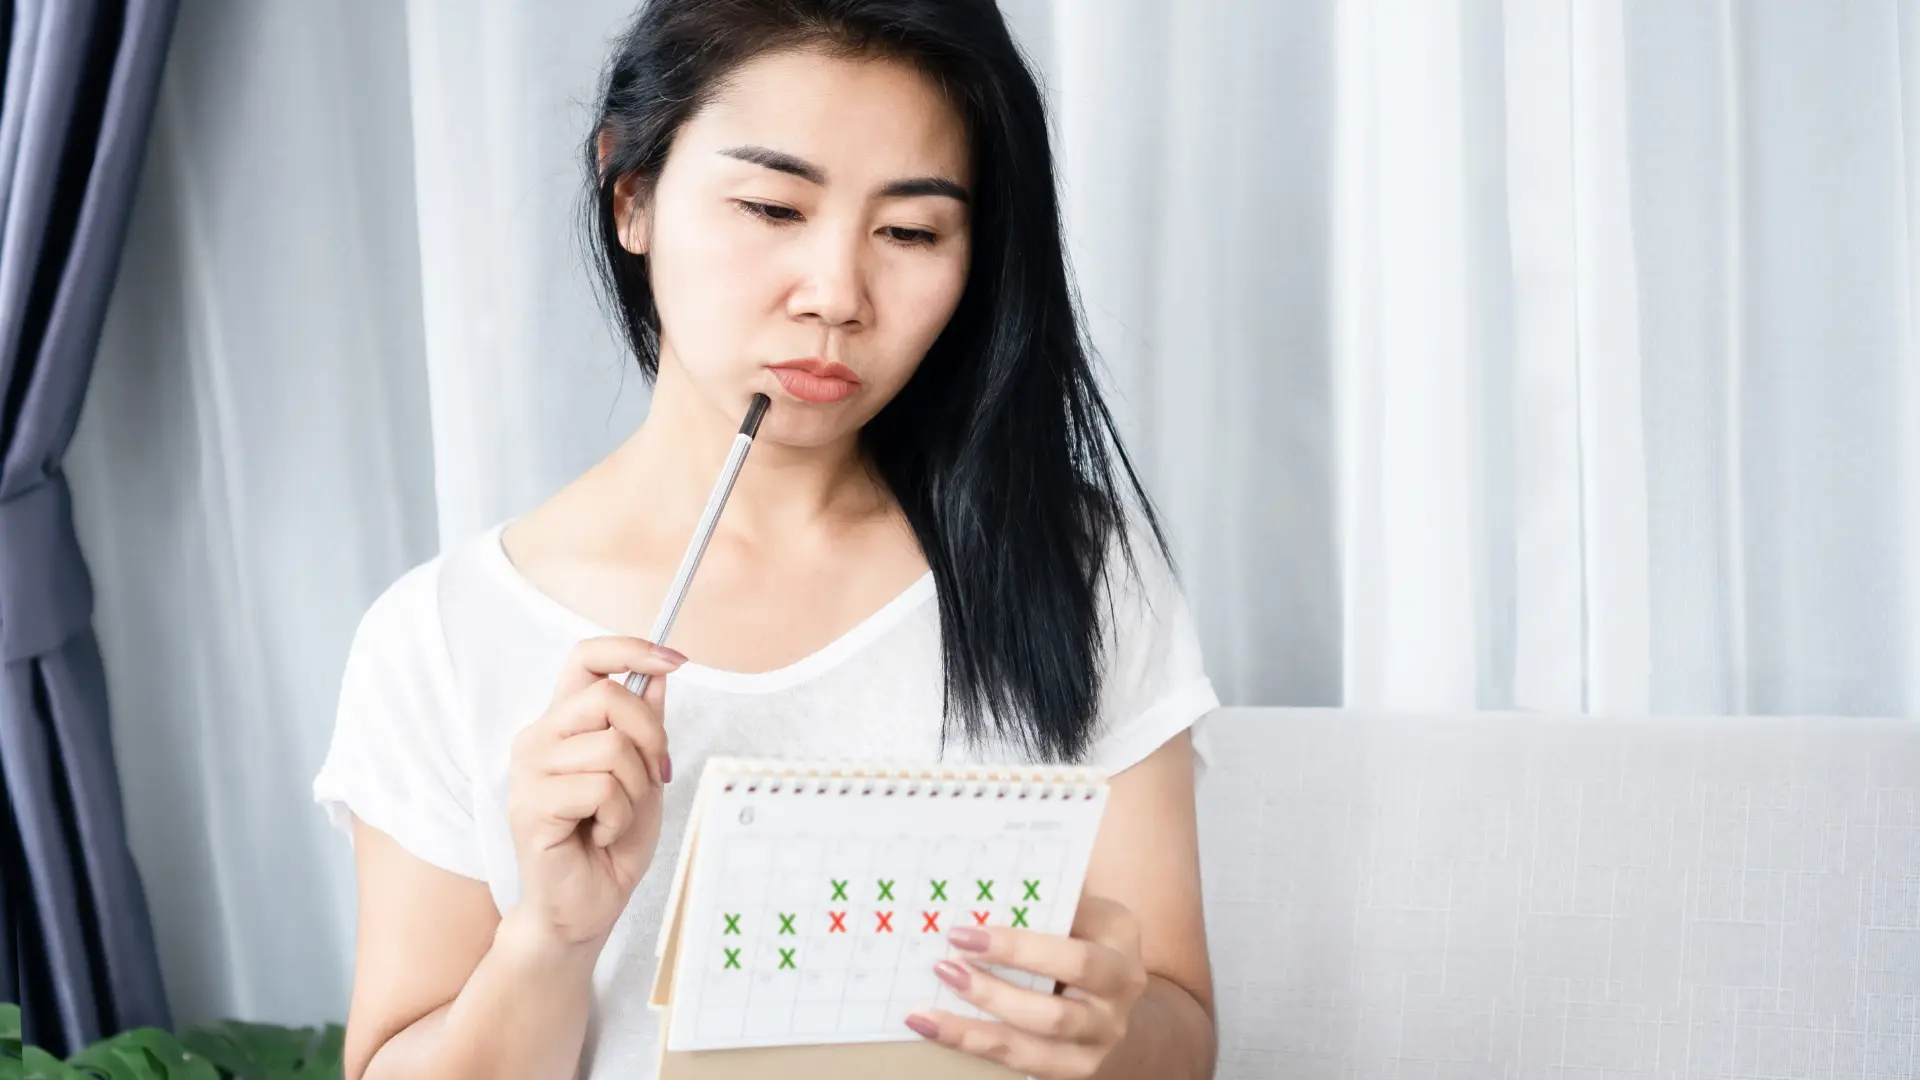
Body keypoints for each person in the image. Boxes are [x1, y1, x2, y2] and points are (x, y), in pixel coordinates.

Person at [312, 2, 1220, 1077]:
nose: (836, 296)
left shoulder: (1072, 566)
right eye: (773, 207)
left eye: (912, 232)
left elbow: (1179, 1034)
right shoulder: (442, 638)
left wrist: (1107, 1037)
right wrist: (549, 938)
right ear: (631, 193)